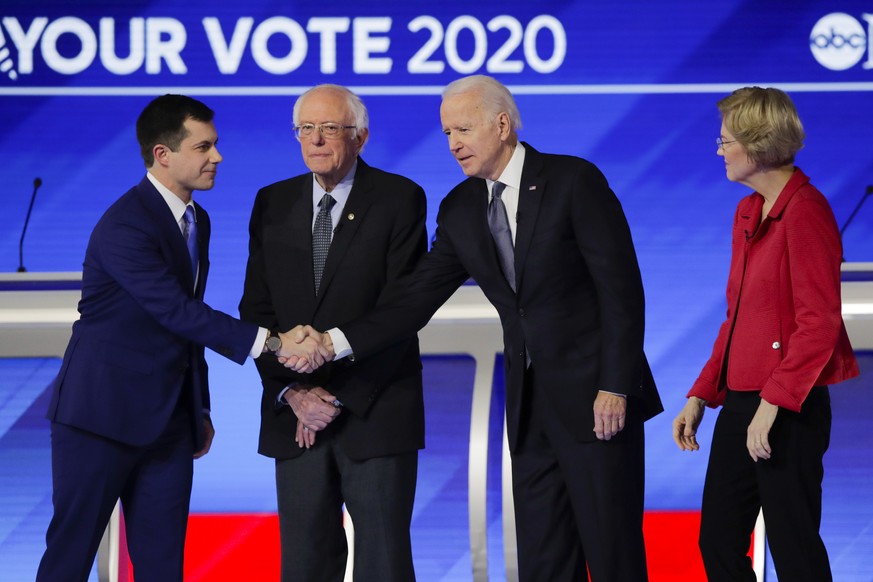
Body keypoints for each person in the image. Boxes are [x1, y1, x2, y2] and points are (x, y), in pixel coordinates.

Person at [290, 75, 663, 581]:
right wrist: (333, 342)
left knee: (612, 552)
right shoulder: (461, 208)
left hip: (597, 402)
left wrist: (614, 386)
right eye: (446, 134)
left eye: (462, 130)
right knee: (544, 562)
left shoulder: (573, 181)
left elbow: (622, 293)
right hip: (529, 412)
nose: (453, 144)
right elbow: (412, 299)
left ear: (503, 125)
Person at [36, 94, 322, 582]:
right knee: (71, 554)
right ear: (162, 154)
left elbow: (183, 330)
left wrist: (200, 408)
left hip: (168, 424)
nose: (218, 157)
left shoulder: (197, 220)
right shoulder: (126, 223)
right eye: (204, 147)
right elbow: (177, 311)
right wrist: (274, 343)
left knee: (163, 566)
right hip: (99, 417)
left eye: (217, 145)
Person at [238, 84, 428, 582]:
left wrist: (337, 397)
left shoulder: (399, 198)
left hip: (376, 410)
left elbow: (402, 310)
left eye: (331, 128)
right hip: (295, 419)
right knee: (304, 566)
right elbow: (255, 311)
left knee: (383, 565)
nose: (316, 140)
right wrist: (294, 392)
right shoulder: (271, 202)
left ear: (360, 137)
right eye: (306, 129)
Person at [672, 87, 859, 582]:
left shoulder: (806, 210)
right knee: (717, 540)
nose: (719, 150)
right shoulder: (748, 212)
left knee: (792, 545)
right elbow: (737, 319)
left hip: (787, 407)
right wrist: (701, 393)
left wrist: (774, 402)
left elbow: (819, 323)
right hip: (740, 402)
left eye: (725, 139)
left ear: (757, 145)